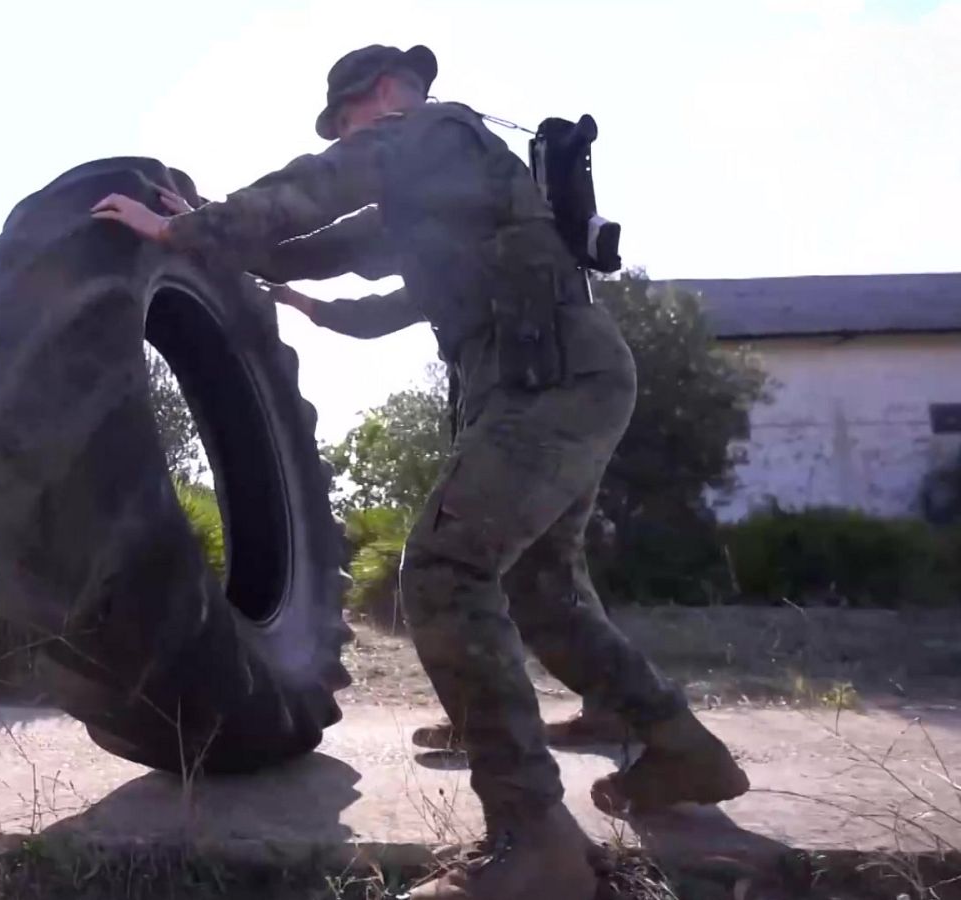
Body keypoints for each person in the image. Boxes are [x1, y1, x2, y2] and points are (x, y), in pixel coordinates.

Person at [91, 44, 749, 899]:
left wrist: (184, 229)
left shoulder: (435, 131)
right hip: (559, 384)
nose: (350, 133)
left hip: (549, 387)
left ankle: (533, 837)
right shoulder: (448, 200)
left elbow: (318, 187)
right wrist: (260, 266)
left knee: (443, 570)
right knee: (543, 592)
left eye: (346, 118)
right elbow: (338, 256)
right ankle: (678, 747)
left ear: (379, 95)